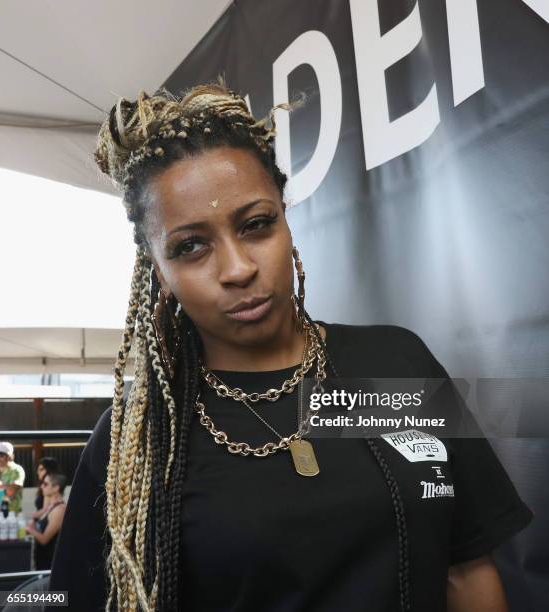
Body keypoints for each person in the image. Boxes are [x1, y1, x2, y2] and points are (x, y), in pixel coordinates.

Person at [48, 79, 534, 612]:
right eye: (191, 247)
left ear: (285, 218)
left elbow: (466, 570)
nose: (238, 269)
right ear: (159, 273)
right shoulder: (136, 439)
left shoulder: (397, 363)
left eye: (256, 225)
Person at [26, 473, 66, 570]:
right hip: (42, 561)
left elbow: (44, 539)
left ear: (56, 488)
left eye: (45, 484)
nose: (42, 486)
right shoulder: (51, 507)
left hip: (50, 564)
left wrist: (30, 529)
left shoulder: (59, 510)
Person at [0, 441, 25, 515]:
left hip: (12, 514)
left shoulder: (17, 470)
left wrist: (2, 487)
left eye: (1, 455)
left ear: (10, 456)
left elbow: (11, 491)